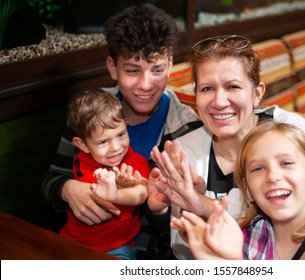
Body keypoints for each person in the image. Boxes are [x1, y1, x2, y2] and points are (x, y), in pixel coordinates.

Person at [41, 4, 201, 259]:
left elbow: (181, 238)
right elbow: (51, 181)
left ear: (170, 65)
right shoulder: (90, 113)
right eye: (132, 70)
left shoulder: (187, 129)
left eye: (157, 69)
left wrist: (156, 206)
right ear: (113, 67)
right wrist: (67, 190)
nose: (145, 84)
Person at [147, 35, 305, 259]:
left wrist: (201, 203)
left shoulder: (289, 131)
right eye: (207, 89)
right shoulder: (184, 149)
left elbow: (301, 227)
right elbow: (183, 252)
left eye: (232, 86)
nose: (219, 102)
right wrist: (168, 208)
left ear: (257, 93)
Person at [171, 121, 305, 260]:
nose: (273, 176)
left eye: (286, 163)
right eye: (258, 168)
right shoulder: (251, 235)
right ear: (248, 190)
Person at [60, 88, 149, 260]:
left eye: (121, 134)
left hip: (116, 247)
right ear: (83, 145)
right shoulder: (81, 158)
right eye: (103, 142)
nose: (116, 147)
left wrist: (117, 193)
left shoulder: (135, 164)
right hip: (71, 239)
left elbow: (140, 193)